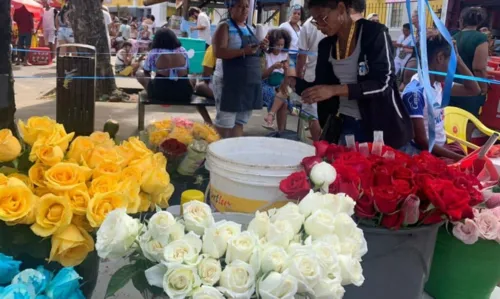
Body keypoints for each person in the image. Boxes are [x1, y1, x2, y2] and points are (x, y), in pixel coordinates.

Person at [297, 0, 412, 149]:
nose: (319, 26)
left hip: (379, 126)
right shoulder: (326, 46)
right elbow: (322, 87)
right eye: (315, 21)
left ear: (340, 8)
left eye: (322, 18)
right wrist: (295, 84)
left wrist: (334, 90)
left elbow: (383, 84)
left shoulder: (374, 33)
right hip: (344, 125)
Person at [402, 35, 480, 162]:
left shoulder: (438, 84)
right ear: (440, 58)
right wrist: (462, 159)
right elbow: (421, 141)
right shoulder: (416, 93)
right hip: (425, 154)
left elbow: (474, 90)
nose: (452, 69)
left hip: (441, 148)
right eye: (451, 62)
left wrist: (458, 59)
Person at [212, 0, 269, 138]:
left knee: (239, 122)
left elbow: (254, 53)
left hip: (247, 83)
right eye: (239, 6)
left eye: (246, 7)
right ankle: (217, 154)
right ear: (231, 8)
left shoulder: (250, 28)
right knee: (225, 123)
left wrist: (262, 47)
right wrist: (243, 51)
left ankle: (233, 154)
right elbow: (218, 52)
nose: (244, 10)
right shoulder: (224, 27)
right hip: (229, 82)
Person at [450, 7, 489, 117]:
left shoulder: (454, 37)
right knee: (467, 123)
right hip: (470, 87)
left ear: (462, 20)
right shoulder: (480, 38)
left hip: (452, 86)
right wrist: (484, 88)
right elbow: (478, 68)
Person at [136, 28, 193, 102]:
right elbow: (188, 71)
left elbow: (146, 71)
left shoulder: (154, 52)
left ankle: (150, 91)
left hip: (160, 93)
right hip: (184, 93)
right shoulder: (182, 50)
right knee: (192, 77)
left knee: (139, 73)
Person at [295, 16, 326, 141]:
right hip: (327, 75)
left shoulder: (308, 25)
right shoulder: (334, 19)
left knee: (311, 113)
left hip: (311, 75)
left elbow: (301, 55)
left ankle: (318, 146)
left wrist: (298, 75)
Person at [261, 29, 292, 132]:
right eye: (277, 45)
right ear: (272, 43)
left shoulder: (285, 55)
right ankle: (280, 131)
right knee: (283, 101)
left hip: (280, 84)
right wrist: (273, 67)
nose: (279, 47)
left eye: (282, 45)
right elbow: (262, 76)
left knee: (283, 93)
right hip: (266, 84)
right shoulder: (266, 55)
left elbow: (287, 79)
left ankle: (270, 116)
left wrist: (286, 70)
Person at [279, 4, 303, 68]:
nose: (296, 15)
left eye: (299, 14)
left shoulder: (302, 29)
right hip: (287, 56)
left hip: (299, 57)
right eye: (294, 13)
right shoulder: (284, 26)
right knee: (290, 76)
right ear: (290, 14)